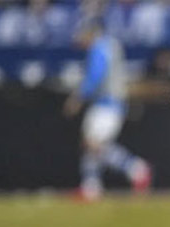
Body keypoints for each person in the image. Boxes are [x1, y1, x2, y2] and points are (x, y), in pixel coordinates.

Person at [63, 17, 151, 201]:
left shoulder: (100, 47)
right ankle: (91, 187)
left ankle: (136, 169)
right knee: (91, 144)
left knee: (94, 144)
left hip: (107, 104)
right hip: (110, 103)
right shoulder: (111, 45)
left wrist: (78, 97)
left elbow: (96, 75)